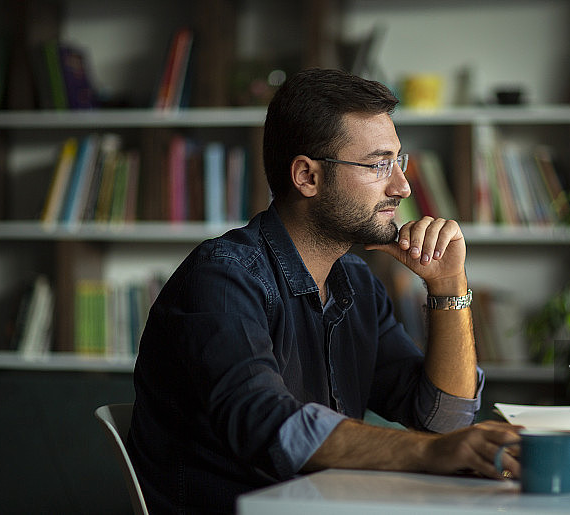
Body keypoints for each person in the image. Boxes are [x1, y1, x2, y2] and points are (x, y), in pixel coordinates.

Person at [127, 68, 520, 514]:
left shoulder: (356, 283)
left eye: (399, 161)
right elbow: (265, 423)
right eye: (378, 164)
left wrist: (448, 286)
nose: (402, 186)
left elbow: (443, 420)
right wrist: (431, 453)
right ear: (307, 176)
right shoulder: (222, 278)